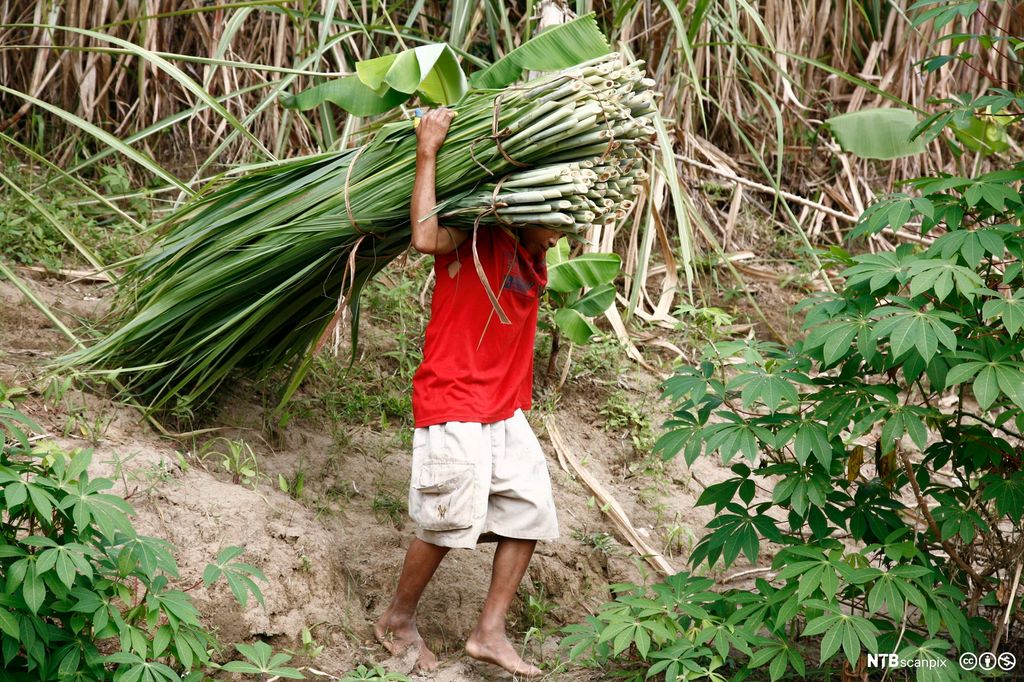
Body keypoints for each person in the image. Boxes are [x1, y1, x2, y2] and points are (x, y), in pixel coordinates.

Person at [374, 107, 562, 678]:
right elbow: (425, 236)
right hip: (455, 399)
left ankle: (489, 632)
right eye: (553, 217)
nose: (560, 229)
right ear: (522, 208)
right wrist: (427, 148)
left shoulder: (535, 255)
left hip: (503, 410)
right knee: (447, 521)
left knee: (531, 510)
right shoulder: (478, 237)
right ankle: (396, 620)